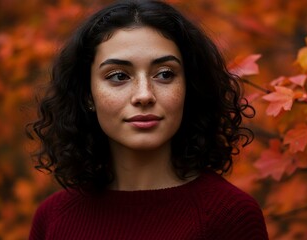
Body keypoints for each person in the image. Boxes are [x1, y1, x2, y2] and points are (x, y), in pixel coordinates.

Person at [27, 0, 268, 239]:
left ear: (189, 88)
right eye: (119, 76)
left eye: (165, 74)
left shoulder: (231, 216)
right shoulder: (53, 218)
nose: (144, 95)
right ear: (87, 95)